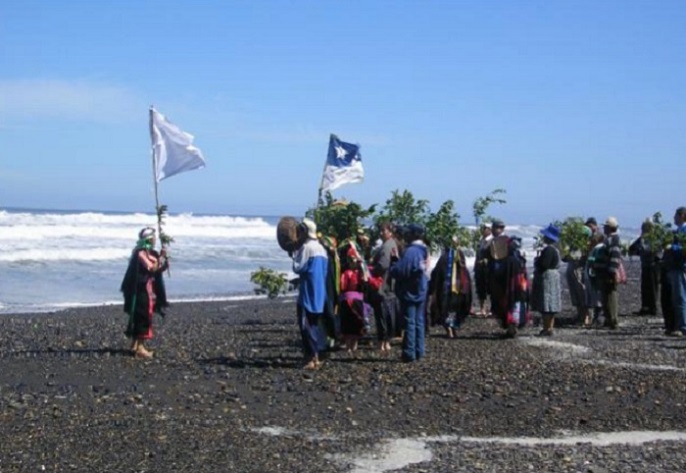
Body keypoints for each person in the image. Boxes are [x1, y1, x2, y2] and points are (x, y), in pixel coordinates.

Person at [120, 227, 169, 358]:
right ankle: (140, 348)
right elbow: (151, 268)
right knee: (143, 315)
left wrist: (163, 260)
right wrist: (162, 257)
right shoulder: (141, 253)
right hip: (140, 290)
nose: (155, 240)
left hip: (147, 288)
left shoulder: (150, 252)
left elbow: (157, 269)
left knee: (141, 314)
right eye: (153, 238)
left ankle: (135, 344)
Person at [292, 218, 329, 369]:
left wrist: (294, 254)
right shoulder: (322, 249)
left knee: (305, 326)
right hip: (320, 293)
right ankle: (316, 357)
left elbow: (298, 268)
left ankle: (310, 359)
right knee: (314, 325)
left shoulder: (306, 248)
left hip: (308, 293)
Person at [390, 223, 429, 362]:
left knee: (410, 322)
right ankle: (419, 351)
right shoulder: (424, 249)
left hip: (410, 290)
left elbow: (401, 271)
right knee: (419, 321)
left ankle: (409, 353)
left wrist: (394, 262)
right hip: (421, 288)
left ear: (412, 234)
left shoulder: (411, 251)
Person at [429, 234, 473, 338]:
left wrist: (433, 285)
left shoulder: (445, 257)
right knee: (454, 309)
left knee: (447, 308)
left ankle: (449, 328)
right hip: (458, 288)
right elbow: (464, 271)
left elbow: (437, 272)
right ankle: (452, 327)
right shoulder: (459, 255)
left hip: (446, 288)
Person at [370, 221, 399, 352]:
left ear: (390, 232)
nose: (381, 233)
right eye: (381, 231)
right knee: (388, 315)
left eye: (384, 231)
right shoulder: (393, 244)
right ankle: (385, 341)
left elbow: (383, 265)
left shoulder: (387, 246)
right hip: (390, 285)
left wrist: (371, 270)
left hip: (383, 285)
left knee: (382, 315)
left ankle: (382, 341)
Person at [594, 217, 624, 329]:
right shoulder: (610, 238)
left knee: (610, 295)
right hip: (604, 271)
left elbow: (615, 256)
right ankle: (609, 318)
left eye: (606, 226)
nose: (604, 228)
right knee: (606, 295)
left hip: (608, 271)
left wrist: (612, 271)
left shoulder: (614, 239)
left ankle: (612, 319)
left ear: (610, 228)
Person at [339, 246, 370, 354]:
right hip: (357, 300)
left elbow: (342, 286)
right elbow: (365, 284)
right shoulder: (360, 272)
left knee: (348, 325)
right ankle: (353, 346)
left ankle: (349, 347)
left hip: (347, 300)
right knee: (356, 324)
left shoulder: (346, 272)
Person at [532, 224, 562, 336]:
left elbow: (544, 264)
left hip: (548, 277)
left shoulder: (548, 249)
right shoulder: (555, 249)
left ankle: (547, 328)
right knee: (551, 304)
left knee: (547, 303)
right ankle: (550, 327)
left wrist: (537, 261)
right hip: (553, 276)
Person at [628, 220, 660, 316]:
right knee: (645, 287)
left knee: (653, 287)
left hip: (653, 265)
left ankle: (653, 308)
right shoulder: (642, 238)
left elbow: (649, 250)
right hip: (645, 265)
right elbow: (632, 248)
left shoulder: (654, 238)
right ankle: (645, 307)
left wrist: (640, 248)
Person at [666, 207, 686, 336]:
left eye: (676, 215)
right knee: (677, 298)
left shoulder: (684, 230)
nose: (674, 217)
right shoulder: (678, 230)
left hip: (680, 266)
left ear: (682, 215)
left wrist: (671, 247)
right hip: (675, 267)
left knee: (680, 297)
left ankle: (683, 326)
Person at [474, 224, 493, 317]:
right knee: (480, 289)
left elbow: (494, 255)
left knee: (490, 289)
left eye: (485, 228)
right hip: (479, 269)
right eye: (482, 228)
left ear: (489, 229)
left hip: (488, 269)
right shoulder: (481, 241)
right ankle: (482, 309)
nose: (483, 230)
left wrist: (486, 261)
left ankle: (491, 309)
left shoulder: (492, 241)